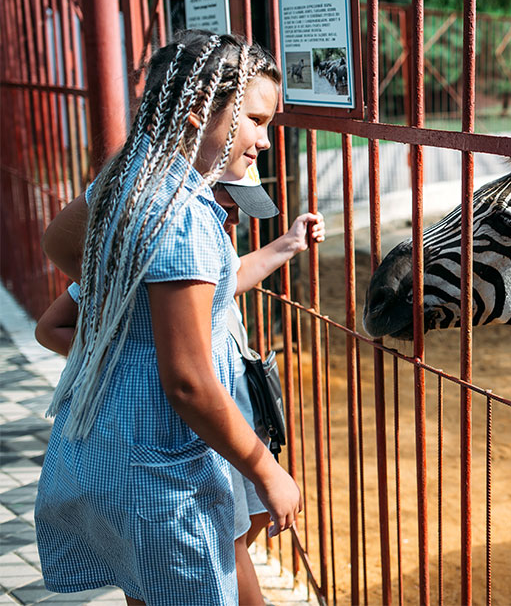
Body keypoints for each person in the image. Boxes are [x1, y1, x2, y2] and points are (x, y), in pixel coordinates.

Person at [35, 31, 301, 606]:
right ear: (202, 104)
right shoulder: (185, 212)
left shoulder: (132, 185)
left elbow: (59, 244)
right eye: (255, 120)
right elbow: (187, 383)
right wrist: (268, 471)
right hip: (162, 484)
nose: (261, 141)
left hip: (109, 455)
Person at [35, 179, 325, 604]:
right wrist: (139, 365)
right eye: (226, 203)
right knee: (225, 546)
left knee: (212, 547)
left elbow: (236, 273)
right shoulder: (167, 251)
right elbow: (54, 327)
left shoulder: (201, 253)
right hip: (199, 434)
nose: (233, 218)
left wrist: (289, 243)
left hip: (222, 425)